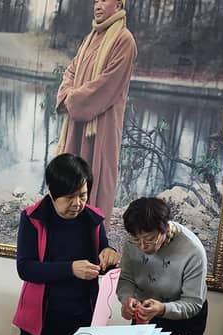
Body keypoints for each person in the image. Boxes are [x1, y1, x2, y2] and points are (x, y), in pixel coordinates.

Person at [13, 153, 120, 335]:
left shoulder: (93, 219)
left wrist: (110, 253)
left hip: (83, 321)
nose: (77, 203)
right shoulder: (32, 218)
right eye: (69, 197)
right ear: (52, 191)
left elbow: (102, 259)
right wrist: (71, 269)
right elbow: (25, 268)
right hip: (41, 323)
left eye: (82, 195)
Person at [56, 0, 137, 225]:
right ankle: (66, 228)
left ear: (119, 4)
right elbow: (71, 71)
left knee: (96, 180)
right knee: (70, 176)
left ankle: (92, 236)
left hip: (102, 126)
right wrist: (68, 94)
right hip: (77, 122)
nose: (97, 5)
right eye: (95, 0)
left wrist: (72, 99)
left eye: (104, 0)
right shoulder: (90, 38)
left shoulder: (124, 40)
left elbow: (108, 84)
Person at [117, 197, 208, 335]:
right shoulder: (132, 241)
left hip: (184, 318)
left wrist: (162, 308)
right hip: (145, 310)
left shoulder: (192, 250)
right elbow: (126, 278)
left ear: (166, 228)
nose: (142, 246)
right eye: (136, 240)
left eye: (149, 239)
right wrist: (127, 298)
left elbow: (192, 302)